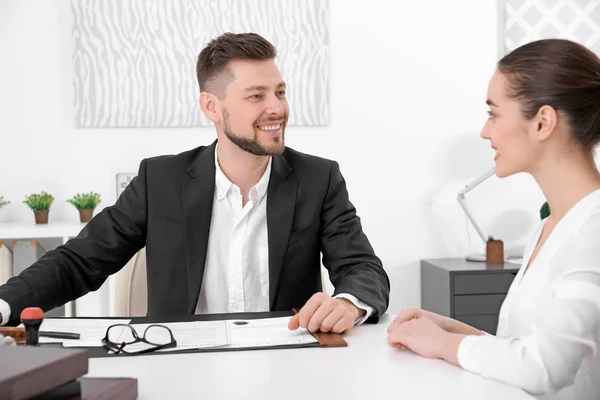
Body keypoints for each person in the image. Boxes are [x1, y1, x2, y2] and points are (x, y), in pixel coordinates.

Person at [0, 33, 390, 334]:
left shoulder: (318, 178)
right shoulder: (161, 181)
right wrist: (4, 306)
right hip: (180, 367)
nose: (277, 108)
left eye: (280, 92)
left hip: (287, 365)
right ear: (211, 107)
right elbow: (79, 261)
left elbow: (362, 267)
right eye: (256, 95)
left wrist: (349, 304)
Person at [387, 38, 600, 399]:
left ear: (543, 122)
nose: (486, 131)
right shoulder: (552, 225)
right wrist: (446, 329)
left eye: (493, 113)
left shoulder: (592, 231)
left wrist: (441, 344)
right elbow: (519, 350)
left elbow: (545, 368)